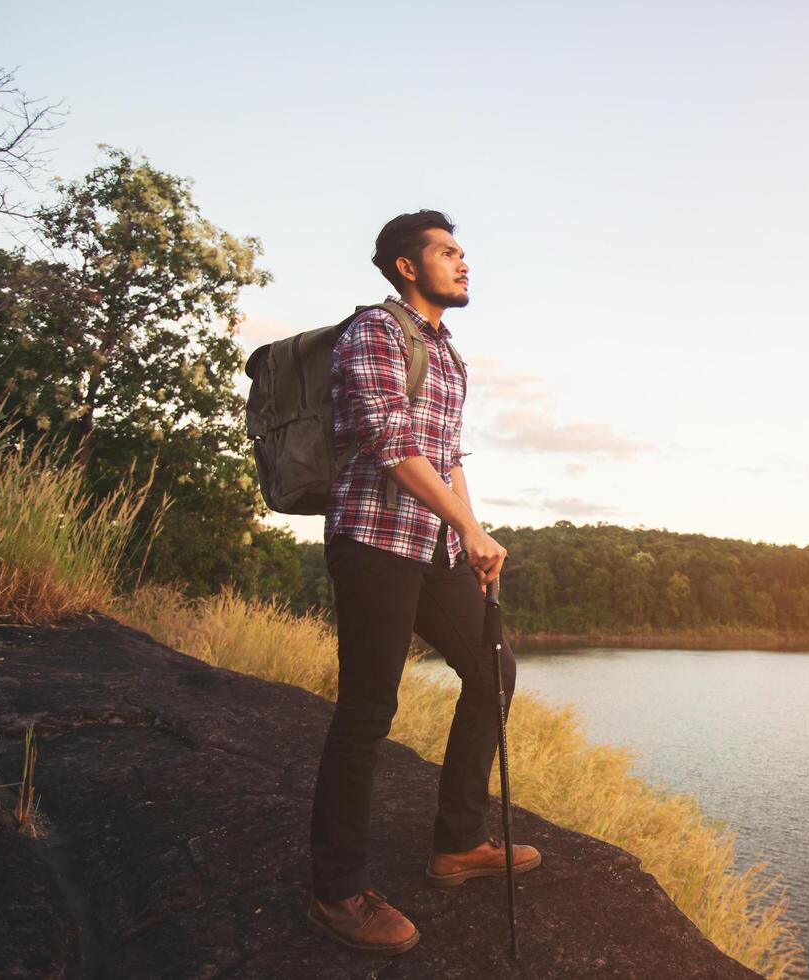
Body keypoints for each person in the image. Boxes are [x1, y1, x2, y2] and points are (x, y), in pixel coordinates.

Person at [306, 210, 541, 956]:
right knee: (368, 709)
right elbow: (390, 440)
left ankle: (457, 844)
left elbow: (447, 456)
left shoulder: (448, 354)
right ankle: (336, 889)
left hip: (435, 545)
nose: (464, 263)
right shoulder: (373, 332)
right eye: (447, 252)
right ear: (408, 266)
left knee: (492, 668)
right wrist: (467, 528)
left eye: (463, 252)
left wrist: (469, 532)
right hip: (374, 541)